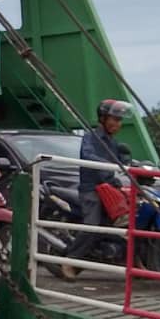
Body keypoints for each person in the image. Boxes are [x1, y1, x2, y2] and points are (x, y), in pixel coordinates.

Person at [59, 100, 133, 278]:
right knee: (93, 226)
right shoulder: (91, 136)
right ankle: (70, 261)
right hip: (91, 189)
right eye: (113, 119)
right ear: (103, 118)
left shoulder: (114, 143)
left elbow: (121, 161)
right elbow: (88, 154)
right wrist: (107, 164)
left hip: (109, 188)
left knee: (128, 221)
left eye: (119, 120)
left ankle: (133, 264)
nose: (117, 123)